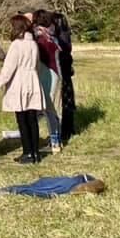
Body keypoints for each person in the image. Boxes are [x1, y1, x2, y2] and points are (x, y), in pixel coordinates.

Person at [0, 15, 45, 164]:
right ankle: (35, 153)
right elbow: (37, 65)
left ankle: (27, 152)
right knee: (32, 119)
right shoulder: (33, 44)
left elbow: (8, 69)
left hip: (19, 82)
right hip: (32, 80)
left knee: (22, 119)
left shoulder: (16, 45)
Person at [33, 10, 63, 154]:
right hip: (56, 74)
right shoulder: (52, 37)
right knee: (53, 109)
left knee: (48, 109)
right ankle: (56, 140)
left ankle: (54, 142)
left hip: (46, 74)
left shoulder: (40, 39)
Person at [54, 12, 76, 144]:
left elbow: (63, 54)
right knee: (67, 101)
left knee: (64, 102)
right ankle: (68, 128)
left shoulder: (61, 36)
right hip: (66, 71)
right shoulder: (65, 34)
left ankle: (65, 130)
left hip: (63, 72)